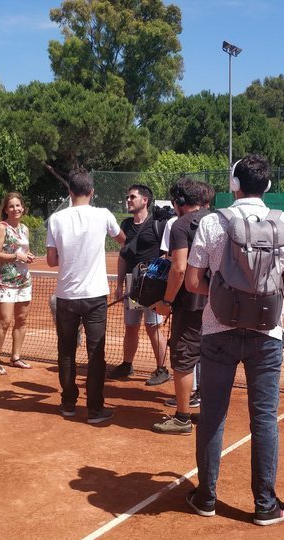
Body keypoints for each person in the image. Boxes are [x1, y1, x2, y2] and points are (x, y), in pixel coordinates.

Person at [185, 154, 284, 525]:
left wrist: (223, 297)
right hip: (267, 335)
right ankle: (265, 506)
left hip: (217, 332)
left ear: (234, 185)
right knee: (264, 420)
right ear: (267, 186)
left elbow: (192, 282)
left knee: (212, 416)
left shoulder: (212, 222)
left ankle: (205, 498)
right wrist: (270, 301)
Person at [46, 167, 126, 424]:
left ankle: (68, 403)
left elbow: (51, 260)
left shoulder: (56, 219)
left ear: (69, 192)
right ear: (92, 191)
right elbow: (122, 239)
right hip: (95, 296)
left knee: (66, 351)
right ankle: (94, 409)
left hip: (66, 295)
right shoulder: (103, 215)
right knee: (96, 353)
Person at [151, 178, 211, 435]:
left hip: (190, 304)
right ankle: (210, 413)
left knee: (184, 358)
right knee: (212, 357)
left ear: (179, 201)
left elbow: (179, 268)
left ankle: (182, 418)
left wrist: (166, 301)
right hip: (220, 302)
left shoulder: (180, 225)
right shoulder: (219, 220)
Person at [107, 184, 170, 386]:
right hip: (133, 285)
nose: (128, 200)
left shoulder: (157, 224)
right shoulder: (126, 225)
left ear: (145, 200)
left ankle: (162, 369)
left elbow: (166, 256)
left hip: (152, 286)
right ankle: (127, 365)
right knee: (131, 326)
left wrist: (153, 280)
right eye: (127, 197)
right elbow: (123, 256)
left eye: (132, 197)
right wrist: (119, 284)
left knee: (153, 327)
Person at [0, 192, 36, 374]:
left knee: (22, 319)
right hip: (6, 281)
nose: (15, 209)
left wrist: (28, 256)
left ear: (23, 208)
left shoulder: (24, 228)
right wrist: (16, 256)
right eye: (11, 206)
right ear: (6, 209)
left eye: (18, 205)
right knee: (5, 321)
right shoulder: (1, 227)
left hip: (24, 280)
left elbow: (25, 251)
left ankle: (15, 357)